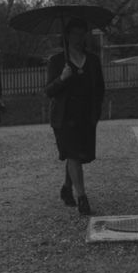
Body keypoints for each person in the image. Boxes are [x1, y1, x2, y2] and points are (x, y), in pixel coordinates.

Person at [45, 18, 105, 216]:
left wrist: (96, 113)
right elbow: (49, 91)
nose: (79, 38)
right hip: (64, 117)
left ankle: (66, 187)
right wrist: (62, 78)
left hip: (85, 116)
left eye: (82, 34)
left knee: (78, 155)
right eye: (75, 34)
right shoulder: (57, 61)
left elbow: (100, 89)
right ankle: (82, 198)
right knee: (72, 154)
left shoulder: (93, 60)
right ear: (67, 36)